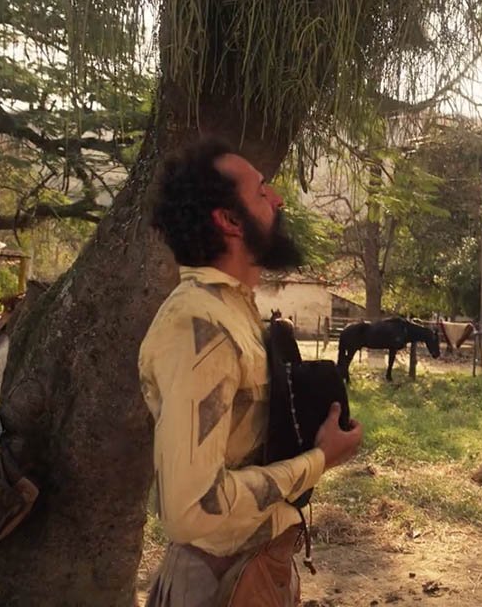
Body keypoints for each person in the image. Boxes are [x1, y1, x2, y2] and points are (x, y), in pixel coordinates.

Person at [140, 138, 363, 606]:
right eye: (262, 192)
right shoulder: (198, 324)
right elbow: (191, 510)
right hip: (217, 584)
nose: (278, 199)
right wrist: (319, 461)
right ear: (229, 220)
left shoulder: (233, 311)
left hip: (254, 570)